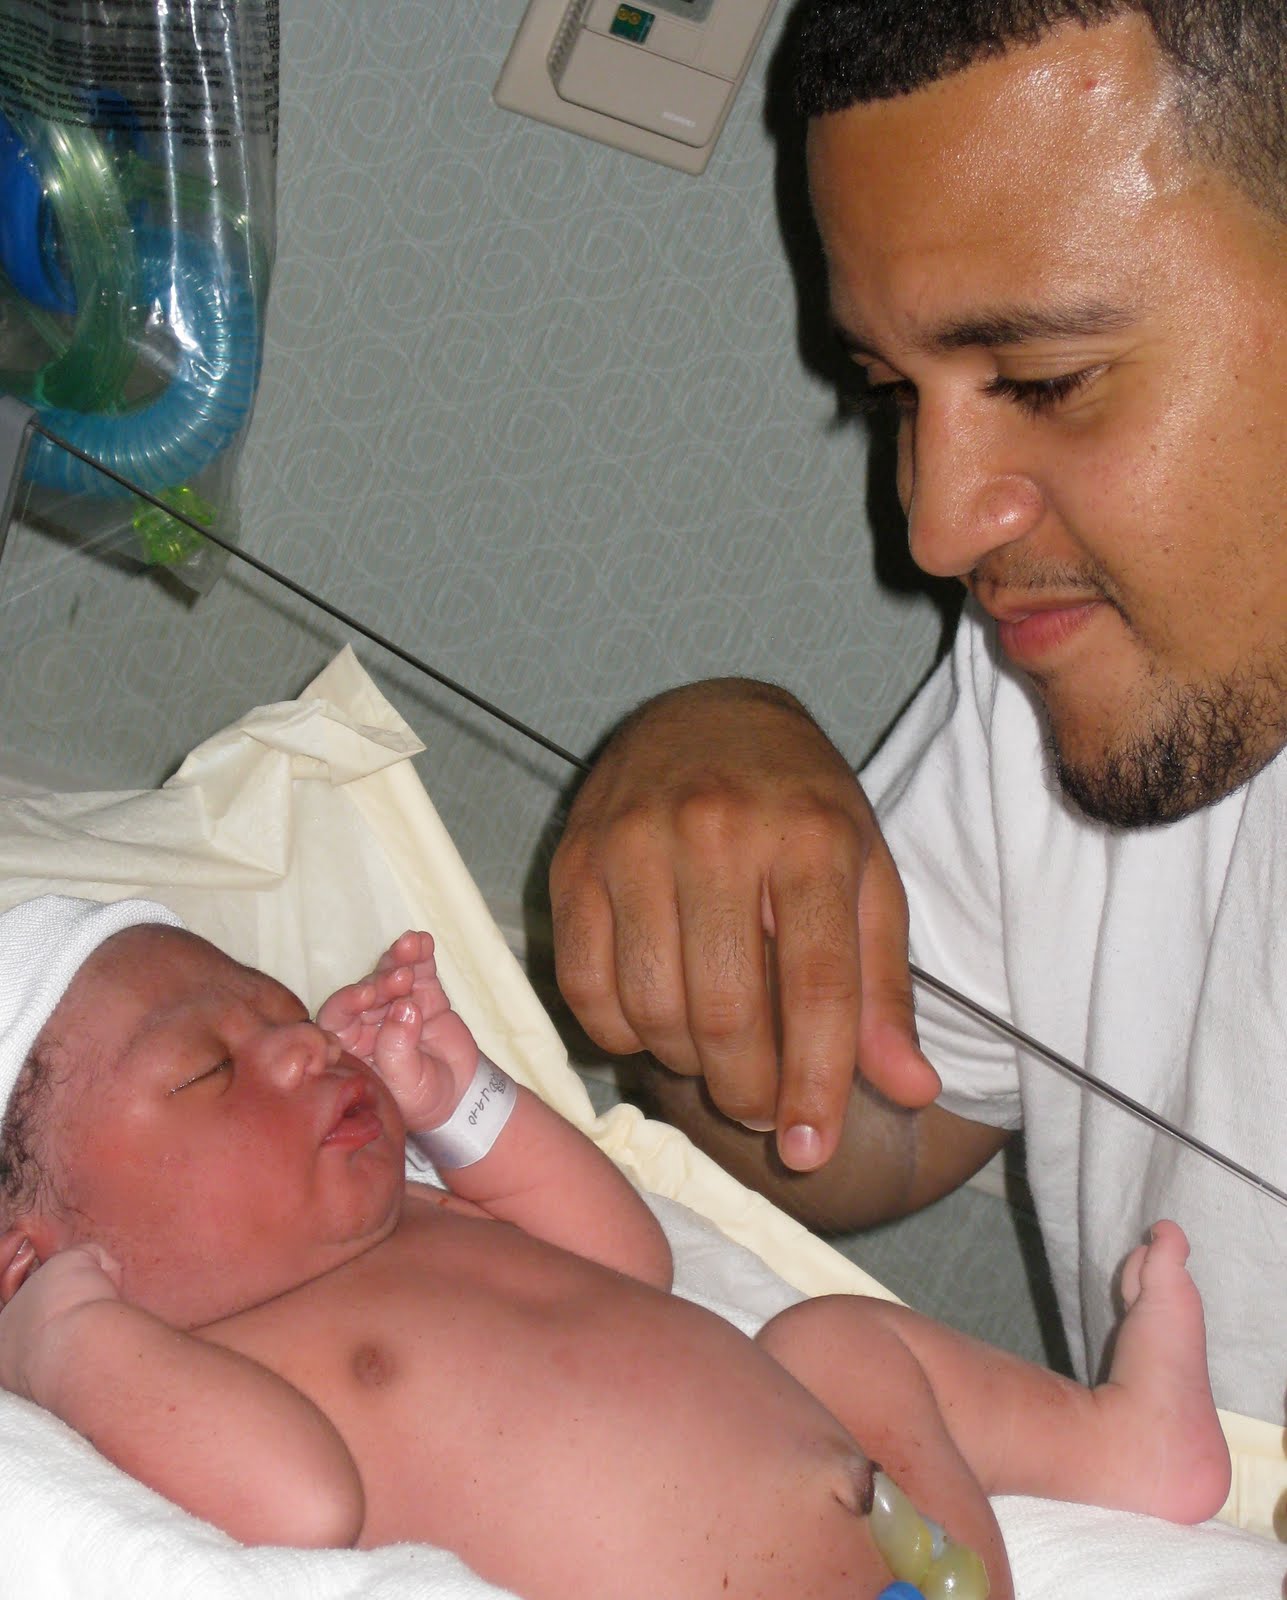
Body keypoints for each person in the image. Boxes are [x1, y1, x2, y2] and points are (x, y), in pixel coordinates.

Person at [548, 1, 1287, 1427]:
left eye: (1047, 383)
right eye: (894, 396)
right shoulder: (1073, 657)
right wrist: (705, 810)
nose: (939, 532)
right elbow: (861, 1126)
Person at [0, 897, 1230, 1600]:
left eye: (281, 1009)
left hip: (917, 1550)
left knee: (836, 1339)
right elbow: (300, 1506)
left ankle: (1119, 1442)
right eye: (206, 1070)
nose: (299, 1045)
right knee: (832, 1340)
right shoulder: (198, 1366)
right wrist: (71, 1344)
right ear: (31, 1257)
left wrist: (461, 1105)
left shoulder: (419, 1211)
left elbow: (629, 1257)